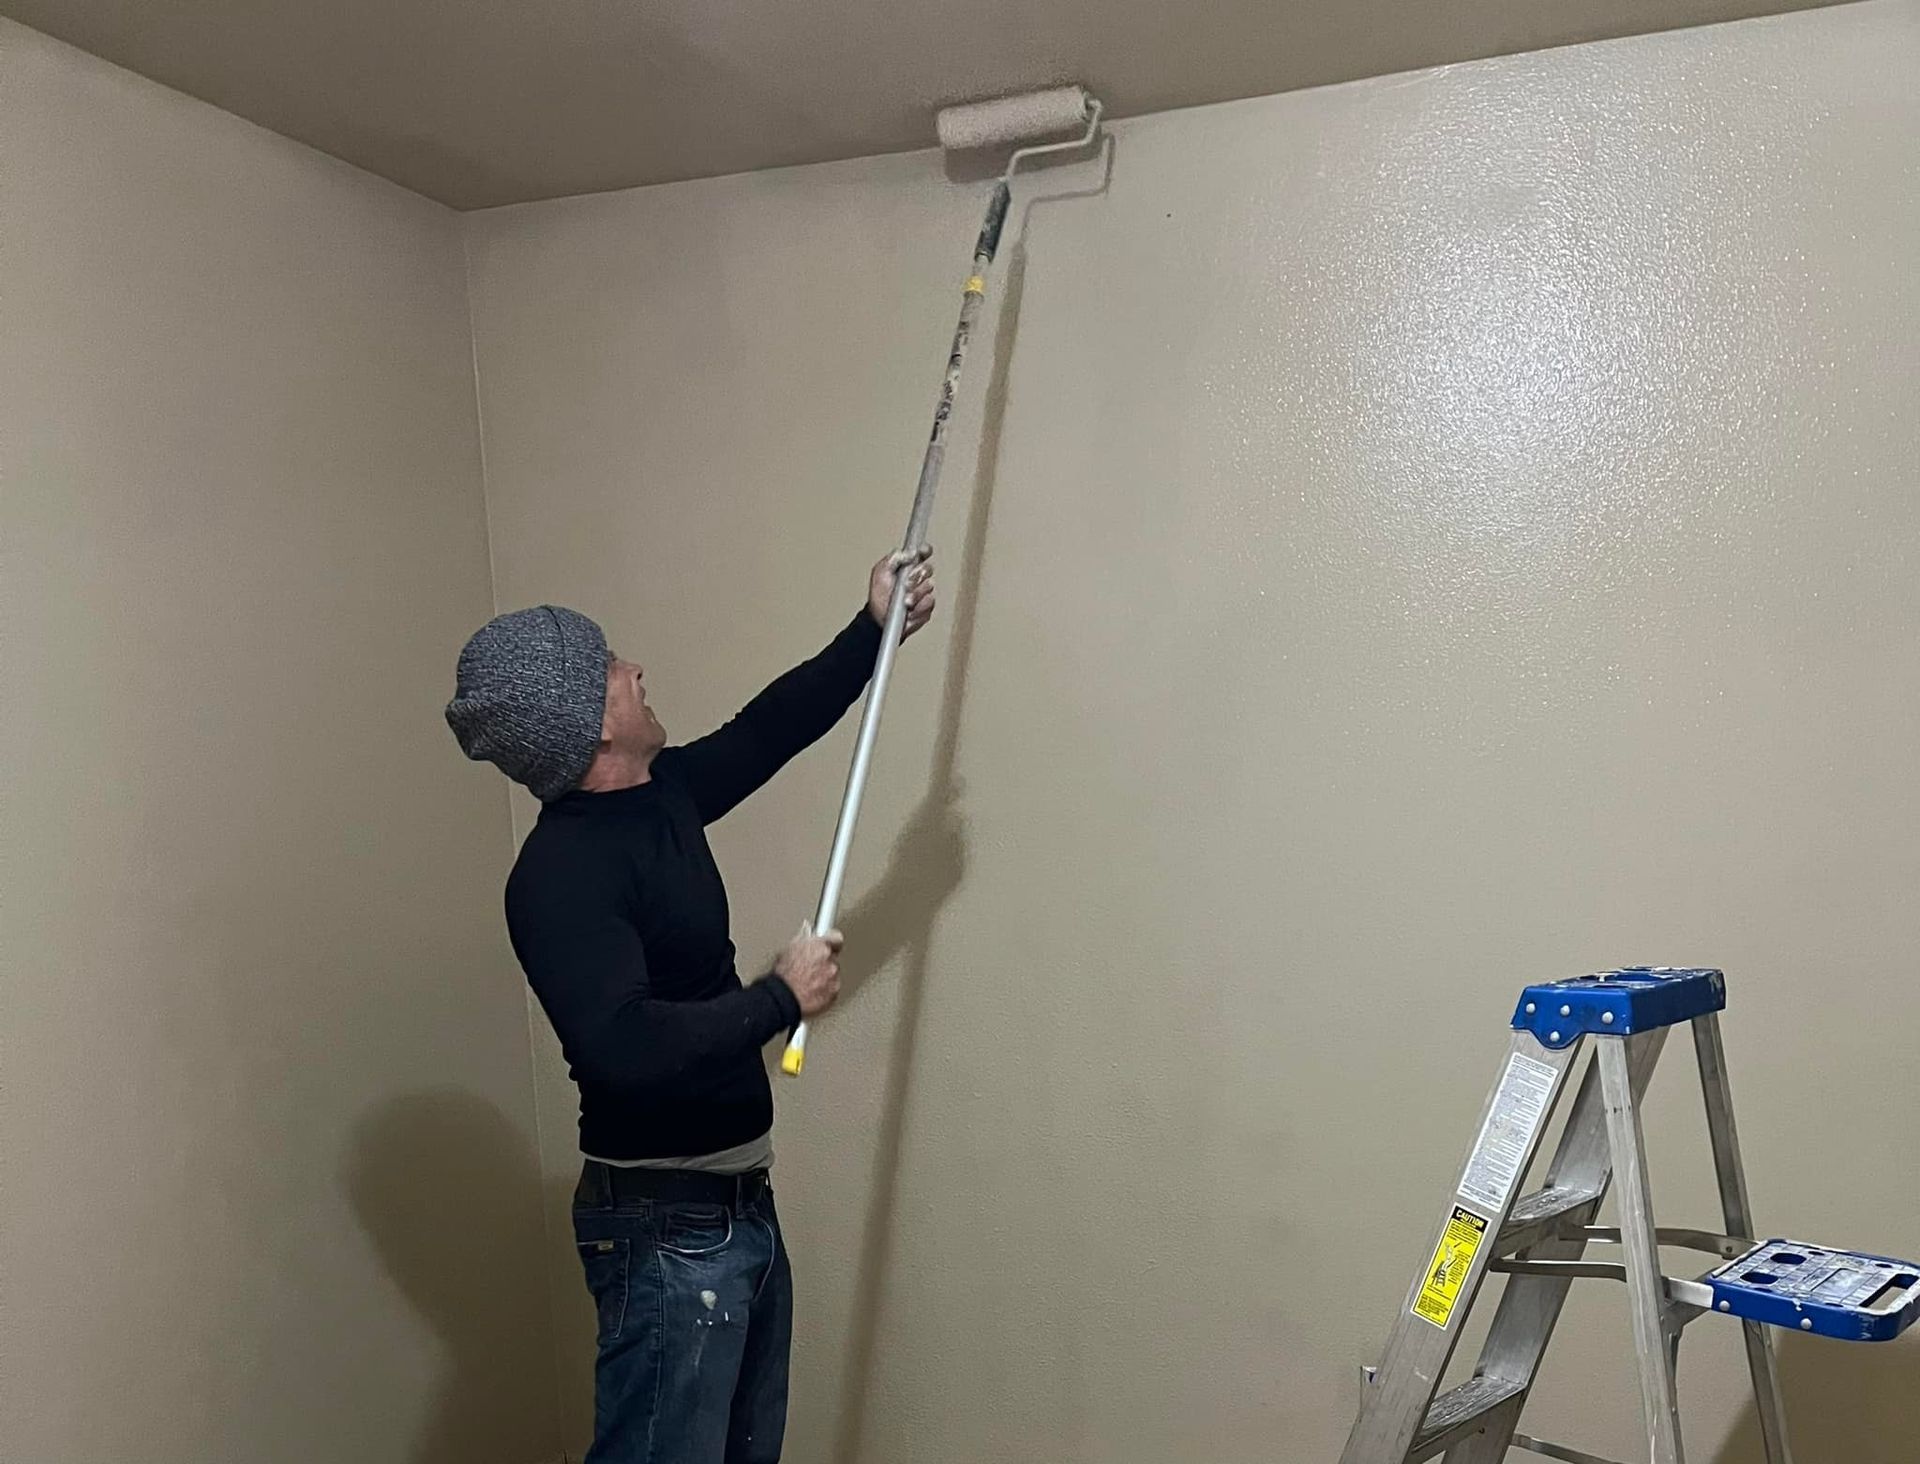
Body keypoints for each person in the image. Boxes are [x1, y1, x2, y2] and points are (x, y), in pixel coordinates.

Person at [444, 549, 935, 1464]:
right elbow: (620, 1045)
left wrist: (873, 630)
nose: (635, 671)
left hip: (738, 1202)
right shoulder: (558, 878)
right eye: (614, 670)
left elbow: (767, 730)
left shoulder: (661, 795)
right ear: (589, 726)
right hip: (665, 1234)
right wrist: (777, 997)